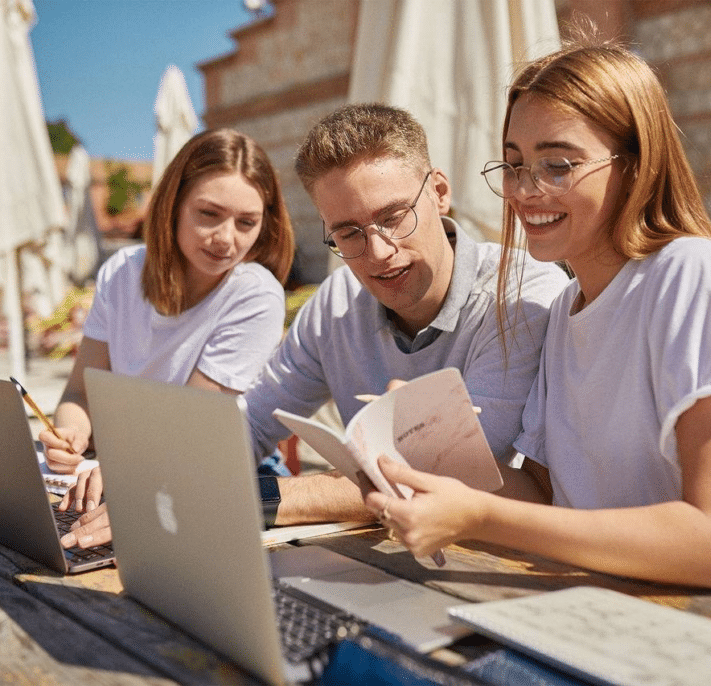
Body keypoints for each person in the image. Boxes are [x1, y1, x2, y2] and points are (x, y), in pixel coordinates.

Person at [364, 34, 711, 594]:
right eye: (513, 165)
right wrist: (432, 442)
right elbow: (550, 496)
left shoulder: (688, 274)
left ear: (634, 165)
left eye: (558, 165)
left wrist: (481, 516)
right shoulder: (563, 309)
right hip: (595, 607)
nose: (526, 191)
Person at [64, 102, 568, 545]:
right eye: (348, 233)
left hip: (499, 565)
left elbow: (451, 473)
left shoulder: (523, 297)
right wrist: (154, 481)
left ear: (438, 192)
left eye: (394, 217)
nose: (378, 253)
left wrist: (233, 499)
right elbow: (252, 422)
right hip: (380, 556)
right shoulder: (337, 303)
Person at [42, 128, 294, 545]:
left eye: (246, 222)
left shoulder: (256, 294)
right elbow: (79, 395)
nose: (227, 238)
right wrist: (71, 435)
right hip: (132, 470)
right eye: (209, 214)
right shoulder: (121, 273)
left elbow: (186, 426)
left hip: (235, 480)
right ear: (173, 205)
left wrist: (123, 471)